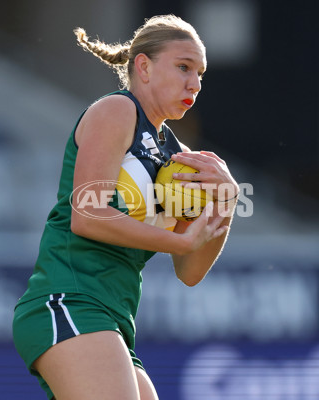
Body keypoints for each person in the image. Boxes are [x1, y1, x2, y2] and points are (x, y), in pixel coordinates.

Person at [12, 14, 239, 400]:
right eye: (183, 67)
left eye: (200, 73)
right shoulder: (117, 111)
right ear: (144, 66)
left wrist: (227, 204)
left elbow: (189, 271)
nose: (195, 83)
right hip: (70, 298)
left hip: (114, 317)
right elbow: (87, 215)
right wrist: (180, 243)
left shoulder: (178, 158)